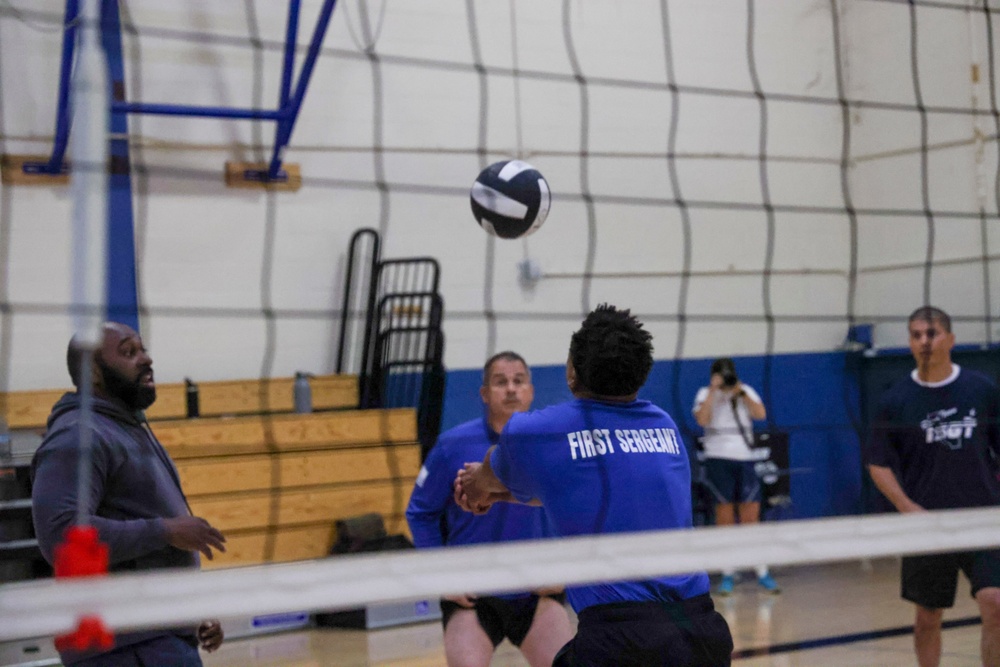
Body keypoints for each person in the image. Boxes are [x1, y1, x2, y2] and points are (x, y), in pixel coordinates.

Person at [456, 304, 733, 667]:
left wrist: (478, 489)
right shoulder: (663, 426)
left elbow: (483, 480)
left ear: (572, 372)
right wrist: (503, 494)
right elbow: (574, 491)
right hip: (701, 631)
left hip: (620, 640)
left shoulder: (538, 432)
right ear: (641, 373)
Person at [31, 322, 228, 667]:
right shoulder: (79, 433)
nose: (146, 359)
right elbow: (61, 537)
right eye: (128, 352)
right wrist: (166, 530)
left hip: (157, 638)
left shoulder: (126, 427)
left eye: (142, 349)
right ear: (92, 371)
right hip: (123, 648)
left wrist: (188, 612)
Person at [405, 351, 573, 667]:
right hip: (474, 595)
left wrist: (567, 575)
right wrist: (442, 577)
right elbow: (419, 513)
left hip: (536, 593)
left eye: (518, 381)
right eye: (500, 382)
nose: (511, 389)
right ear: (484, 393)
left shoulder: (553, 444)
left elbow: (581, 510)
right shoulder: (452, 445)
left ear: (531, 391)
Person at [867, 306, 1000, 667]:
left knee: (995, 603)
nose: (924, 342)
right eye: (916, 335)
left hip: (982, 521)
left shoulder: (982, 390)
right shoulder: (895, 400)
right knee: (927, 618)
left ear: (951, 339)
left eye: (932, 333)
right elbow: (878, 464)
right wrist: (908, 508)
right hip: (928, 525)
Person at [692, 357, 779, 595]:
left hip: (746, 459)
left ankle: (762, 571)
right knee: (725, 518)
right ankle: (728, 572)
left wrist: (740, 392)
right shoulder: (704, 394)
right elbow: (702, 419)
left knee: (751, 516)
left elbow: (760, 414)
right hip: (718, 459)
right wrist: (713, 391)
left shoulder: (745, 391)